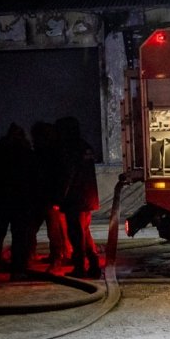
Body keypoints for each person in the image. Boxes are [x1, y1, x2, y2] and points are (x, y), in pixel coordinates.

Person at [0, 123, 41, 281]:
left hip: (1, 202)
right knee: (20, 237)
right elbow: (36, 179)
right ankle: (18, 270)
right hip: (21, 204)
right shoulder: (27, 154)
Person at [56, 115, 101, 278]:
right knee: (84, 231)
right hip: (87, 197)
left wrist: (61, 195)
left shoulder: (70, 148)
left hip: (75, 198)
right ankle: (94, 264)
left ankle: (80, 266)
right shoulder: (84, 146)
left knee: (75, 233)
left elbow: (69, 174)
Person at [31, 120, 70, 268]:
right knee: (50, 229)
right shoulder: (52, 153)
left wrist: (58, 197)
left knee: (52, 230)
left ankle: (56, 256)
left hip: (47, 198)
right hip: (45, 197)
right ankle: (55, 256)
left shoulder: (49, 154)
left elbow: (60, 176)